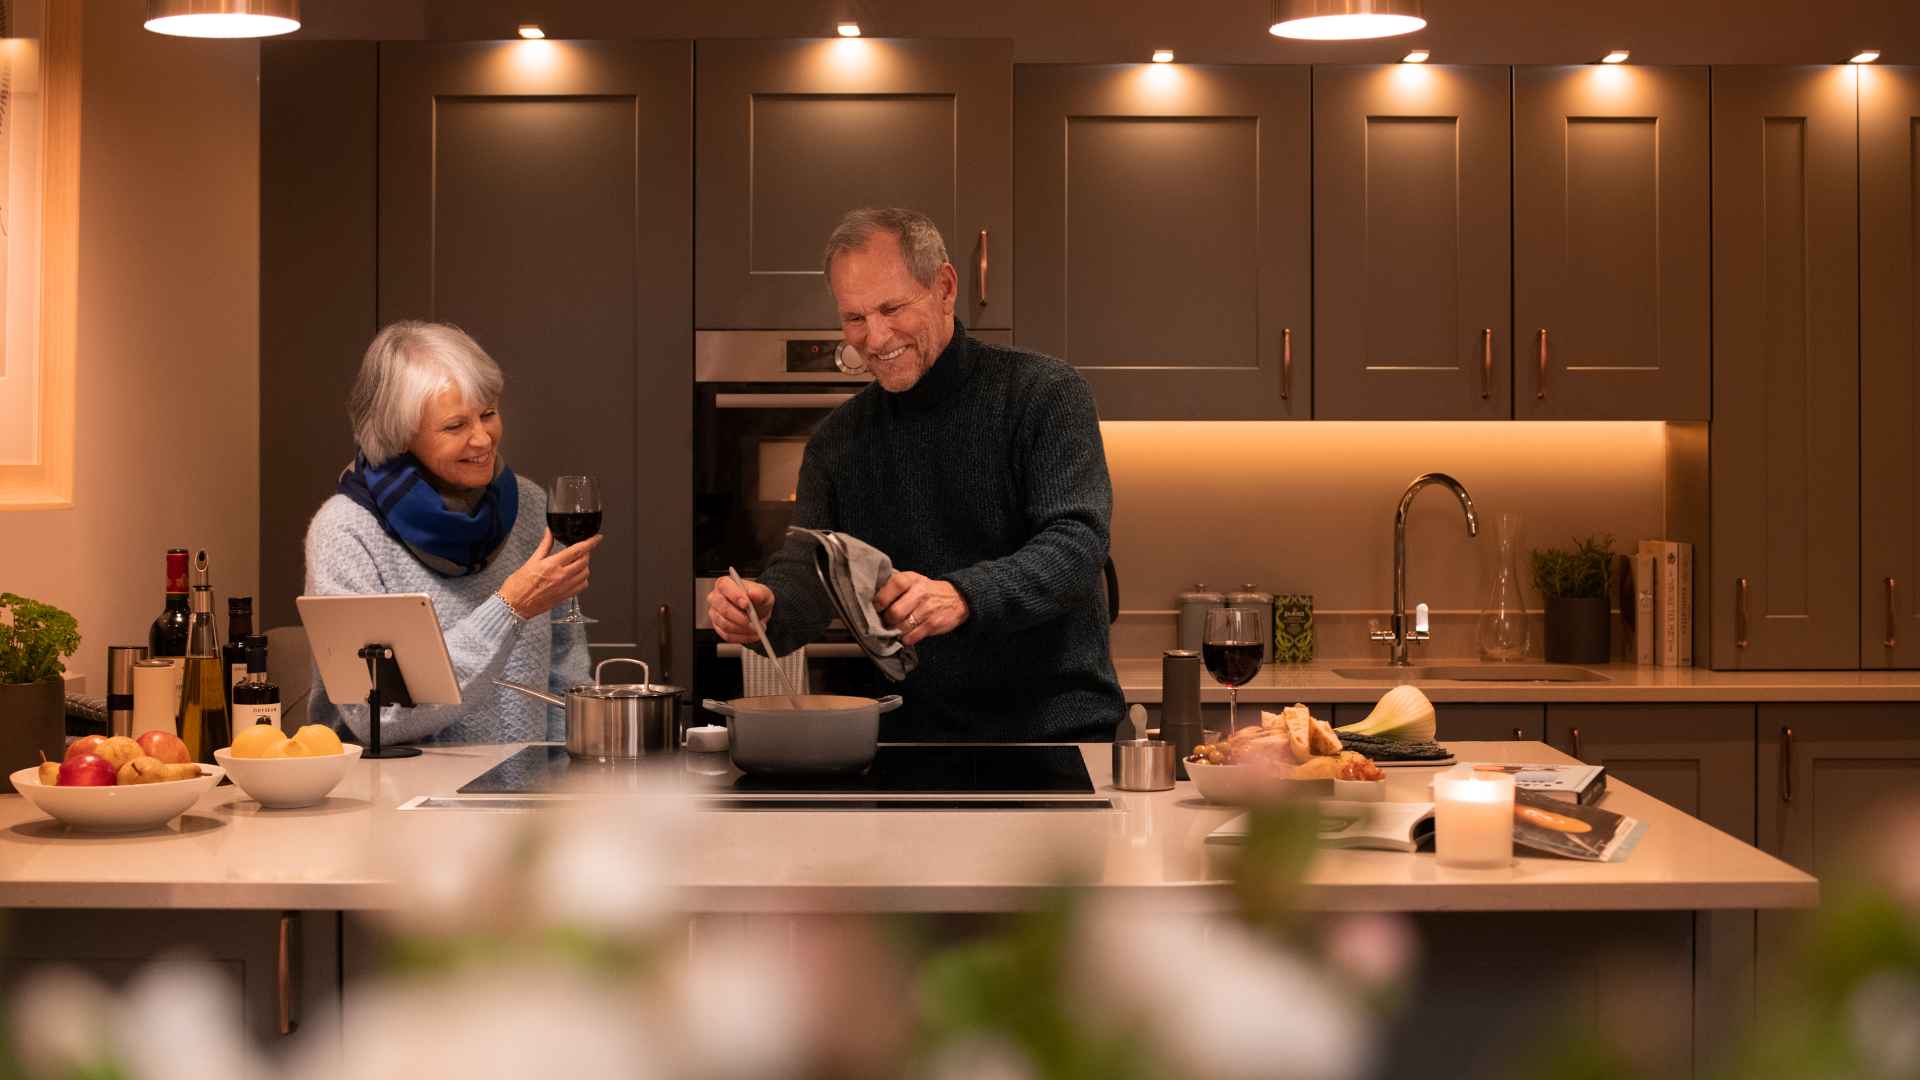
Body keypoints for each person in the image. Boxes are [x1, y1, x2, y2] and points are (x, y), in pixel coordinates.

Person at [706, 207, 1125, 741]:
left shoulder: (1044, 394)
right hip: (908, 740)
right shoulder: (838, 442)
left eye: (891, 308)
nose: (875, 338)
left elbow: (1076, 543)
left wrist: (963, 595)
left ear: (946, 287)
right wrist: (766, 609)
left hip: (1056, 735)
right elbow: (808, 575)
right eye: (854, 317)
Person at [305, 321, 601, 745]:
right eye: (454, 426)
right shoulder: (346, 532)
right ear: (400, 434)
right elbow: (381, 717)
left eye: (488, 414)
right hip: (397, 806)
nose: (482, 439)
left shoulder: (530, 505)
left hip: (524, 806)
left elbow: (563, 674)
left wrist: (564, 787)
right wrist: (510, 607)